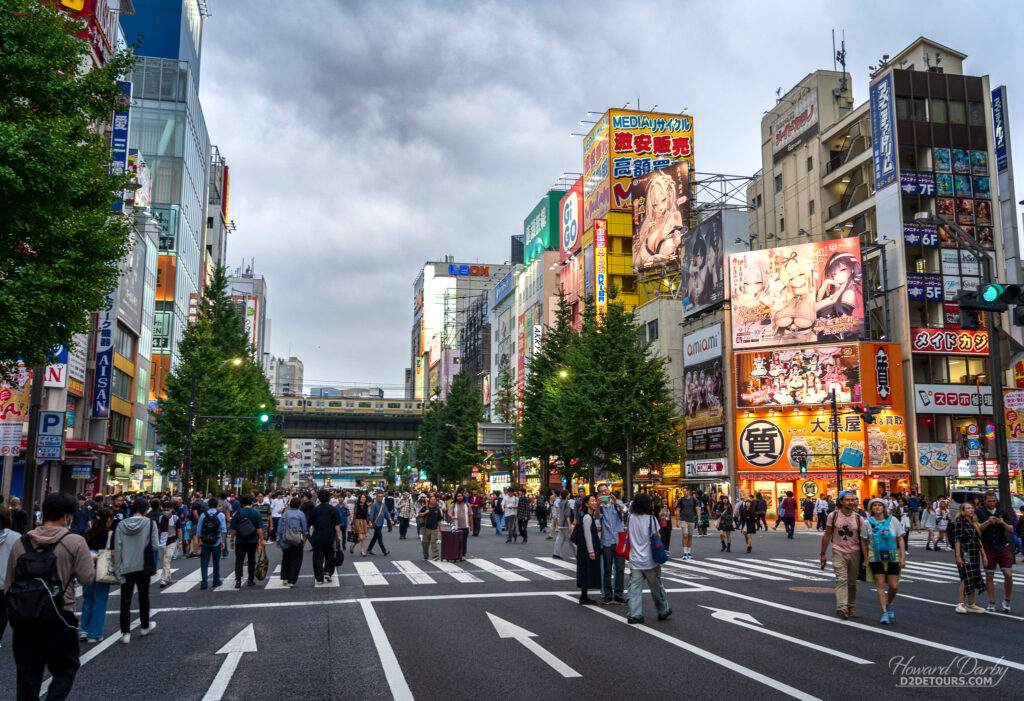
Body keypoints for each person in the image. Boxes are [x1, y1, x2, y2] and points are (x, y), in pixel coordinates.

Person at [5, 493, 94, 699]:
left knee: (27, 674)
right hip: (61, 614)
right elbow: (86, 578)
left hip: (25, 618)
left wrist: (12, 616)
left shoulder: (22, 542)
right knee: (65, 668)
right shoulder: (75, 542)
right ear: (67, 517)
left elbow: (10, 581)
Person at [114, 496, 160, 643]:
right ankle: (145, 626)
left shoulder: (121, 525)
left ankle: (125, 633)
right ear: (146, 510)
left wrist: (117, 569)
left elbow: (118, 548)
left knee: (125, 599)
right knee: (143, 596)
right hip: (143, 565)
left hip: (126, 566)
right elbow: (155, 545)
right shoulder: (150, 523)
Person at [625, 492, 671, 624]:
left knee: (634, 588)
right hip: (650, 560)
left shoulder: (630, 518)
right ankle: (663, 610)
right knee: (656, 587)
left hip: (635, 559)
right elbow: (658, 537)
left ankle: (635, 614)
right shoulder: (651, 519)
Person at [820, 491, 866, 620]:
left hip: (855, 551)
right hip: (838, 550)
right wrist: (823, 554)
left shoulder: (859, 518)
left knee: (852, 582)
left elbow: (863, 539)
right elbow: (827, 534)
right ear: (841, 501)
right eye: (847, 500)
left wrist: (866, 559)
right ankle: (842, 607)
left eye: (852, 500)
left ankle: (851, 606)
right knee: (841, 579)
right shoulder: (833, 516)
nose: (851, 502)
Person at [862, 498, 905, 624]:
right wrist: (865, 559)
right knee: (880, 585)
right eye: (874, 505)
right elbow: (864, 541)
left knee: (894, 586)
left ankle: (890, 603)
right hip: (875, 556)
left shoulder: (893, 520)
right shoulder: (867, 523)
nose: (877, 507)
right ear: (871, 509)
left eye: (879, 505)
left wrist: (903, 558)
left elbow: (900, 538)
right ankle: (884, 612)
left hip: (892, 556)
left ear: (884, 508)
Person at [976, 491, 1014, 612]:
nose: (992, 503)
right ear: (985, 501)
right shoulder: (979, 512)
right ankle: (991, 602)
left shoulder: (1002, 511)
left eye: (994, 501)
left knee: (1008, 574)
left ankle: (1007, 600)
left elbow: (1012, 529)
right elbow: (977, 529)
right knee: (989, 575)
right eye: (989, 501)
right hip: (988, 546)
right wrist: (988, 521)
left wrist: (1002, 522)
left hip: (1002, 545)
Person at [80, 507, 114, 643]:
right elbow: (113, 553)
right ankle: (94, 634)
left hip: (87, 567)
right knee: (99, 600)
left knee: (87, 599)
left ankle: (85, 629)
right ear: (109, 520)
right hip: (102, 568)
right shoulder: (110, 534)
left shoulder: (88, 533)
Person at [949, 503, 987, 614]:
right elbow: (957, 539)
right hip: (965, 552)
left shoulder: (973, 522)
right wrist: (958, 555)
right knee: (966, 576)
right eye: (968, 508)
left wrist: (984, 554)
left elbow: (978, 539)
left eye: (971, 508)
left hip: (974, 551)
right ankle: (961, 603)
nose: (971, 510)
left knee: (974, 575)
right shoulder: (960, 522)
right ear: (962, 510)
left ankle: (971, 603)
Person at [598, 485, 626, 604]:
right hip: (607, 541)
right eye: (602, 492)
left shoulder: (617, 502)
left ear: (609, 491)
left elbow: (625, 511)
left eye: (606, 490)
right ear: (599, 494)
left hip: (619, 540)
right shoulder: (600, 506)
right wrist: (597, 507)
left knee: (620, 568)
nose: (605, 493)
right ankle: (608, 594)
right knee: (607, 569)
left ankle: (619, 594)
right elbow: (596, 519)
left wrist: (616, 503)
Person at [230, 495, 265, 588]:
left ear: (242, 503)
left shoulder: (238, 513)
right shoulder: (256, 513)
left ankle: (238, 581)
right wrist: (261, 539)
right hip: (252, 539)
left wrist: (231, 539)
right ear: (252, 503)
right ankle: (250, 580)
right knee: (251, 559)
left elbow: (233, 529)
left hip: (240, 540)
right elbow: (259, 528)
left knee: (239, 560)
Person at [308, 490, 341, 585]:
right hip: (330, 536)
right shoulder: (333, 509)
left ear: (319, 498)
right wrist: (338, 535)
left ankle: (319, 578)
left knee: (318, 557)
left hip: (317, 537)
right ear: (329, 498)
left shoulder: (315, 510)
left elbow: (311, 523)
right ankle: (328, 572)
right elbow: (336, 524)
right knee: (329, 555)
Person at [194, 497, 226, 590]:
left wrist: (199, 542)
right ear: (217, 505)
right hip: (217, 540)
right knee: (216, 562)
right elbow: (223, 530)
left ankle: (204, 582)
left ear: (208, 506)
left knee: (204, 562)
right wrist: (223, 542)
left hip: (205, 541)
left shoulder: (203, 515)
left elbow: (199, 530)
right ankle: (216, 581)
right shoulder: (221, 515)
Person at [575, 494, 602, 605]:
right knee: (586, 570)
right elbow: (587, 534)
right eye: (592, 501)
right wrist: (591, 551)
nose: (594, 502)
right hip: (586, 549)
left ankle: (584, 595)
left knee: (586, 570)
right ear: (586, 504)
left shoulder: (590, 516)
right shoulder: (587, 517)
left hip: (586, 548)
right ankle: (584, 596)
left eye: (595, 500)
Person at [277, 497, 307, 588]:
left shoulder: (285, 514)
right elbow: (304, 528)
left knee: (286, 558)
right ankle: (292, 580)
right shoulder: (301, 514)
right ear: (299, 505)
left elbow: (280, 526)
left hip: (285, 538)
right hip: (297, 539)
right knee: (296, 560)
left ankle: (285, 577)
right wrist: (304, 539)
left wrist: (278, 537)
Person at [156, 500, 180, 588]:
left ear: (172, 509)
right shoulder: (160, 518)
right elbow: (158, 530)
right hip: (161, 542)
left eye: (168, 508)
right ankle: (168, 576)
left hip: (171, 541)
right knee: (163, 561)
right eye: (164, 508)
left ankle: (164, 579)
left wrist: (180, 542)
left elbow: (179, 530)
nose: (166, 510)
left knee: (167, 560)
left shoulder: (175, 518)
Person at [673, 488, 700, 560]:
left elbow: (697, 509)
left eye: (685, 491)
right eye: (683, 491)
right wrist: (677, 520)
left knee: (690, 536)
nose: (684, 493)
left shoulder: (694, 500)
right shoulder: (681, 500)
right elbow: (678, 510)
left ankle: (689, 552)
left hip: (691, 519)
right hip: (683, 519)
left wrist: (699, 519)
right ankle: (685, 552)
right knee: (685, 535)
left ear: (689, 491)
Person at [447, 492, 473, 560]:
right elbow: (449, 513)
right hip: (456, 526)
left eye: (461, 496)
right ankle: (456, 554)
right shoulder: (453, 505)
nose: (460, 497)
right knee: (456, 541)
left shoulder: (467, 505)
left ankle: (463, 554)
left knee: (464, 541)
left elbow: (470, 515)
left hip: (465, 526)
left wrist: (471, 525)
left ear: (463, 497)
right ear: (456, 497)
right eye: (458, 496)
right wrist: (451, 516)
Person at [367, 492, 393, 556]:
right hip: (376, 523)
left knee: (375, 537)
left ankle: (369, 550)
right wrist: (370, 521)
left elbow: (386, 513)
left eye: (381, 496)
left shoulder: (383, 505)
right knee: (379, 537)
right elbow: (372, 513)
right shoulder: (374, 504)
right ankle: (384, 550)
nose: (380, 497)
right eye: (379, 496)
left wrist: (390, 519)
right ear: (376, 497)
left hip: (381, 523)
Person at [553, 490, 575, 559]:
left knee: (559, 539)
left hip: (560, 523)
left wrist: (556, 515)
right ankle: (578, 553)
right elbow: (567, 515)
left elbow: (559, 510)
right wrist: (569, 525)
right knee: (572, 539)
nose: (569, 495)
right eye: (568, 494)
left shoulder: (560, 502)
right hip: (565, 524)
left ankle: (556, 553)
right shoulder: (567, 503)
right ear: (566, 495)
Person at [419, 496, 443, 561]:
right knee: (425, 543)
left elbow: (439, 520)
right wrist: (425, 512)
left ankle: (435, 556)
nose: (433, 500)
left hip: (434, 528)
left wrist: (440, 529)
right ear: (429, 500)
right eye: (432, 499)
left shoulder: (437, 509)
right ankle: (425, 555)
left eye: (434, 499)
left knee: (434, 542)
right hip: (426, 528)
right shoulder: (425, 507)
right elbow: (419, 514)